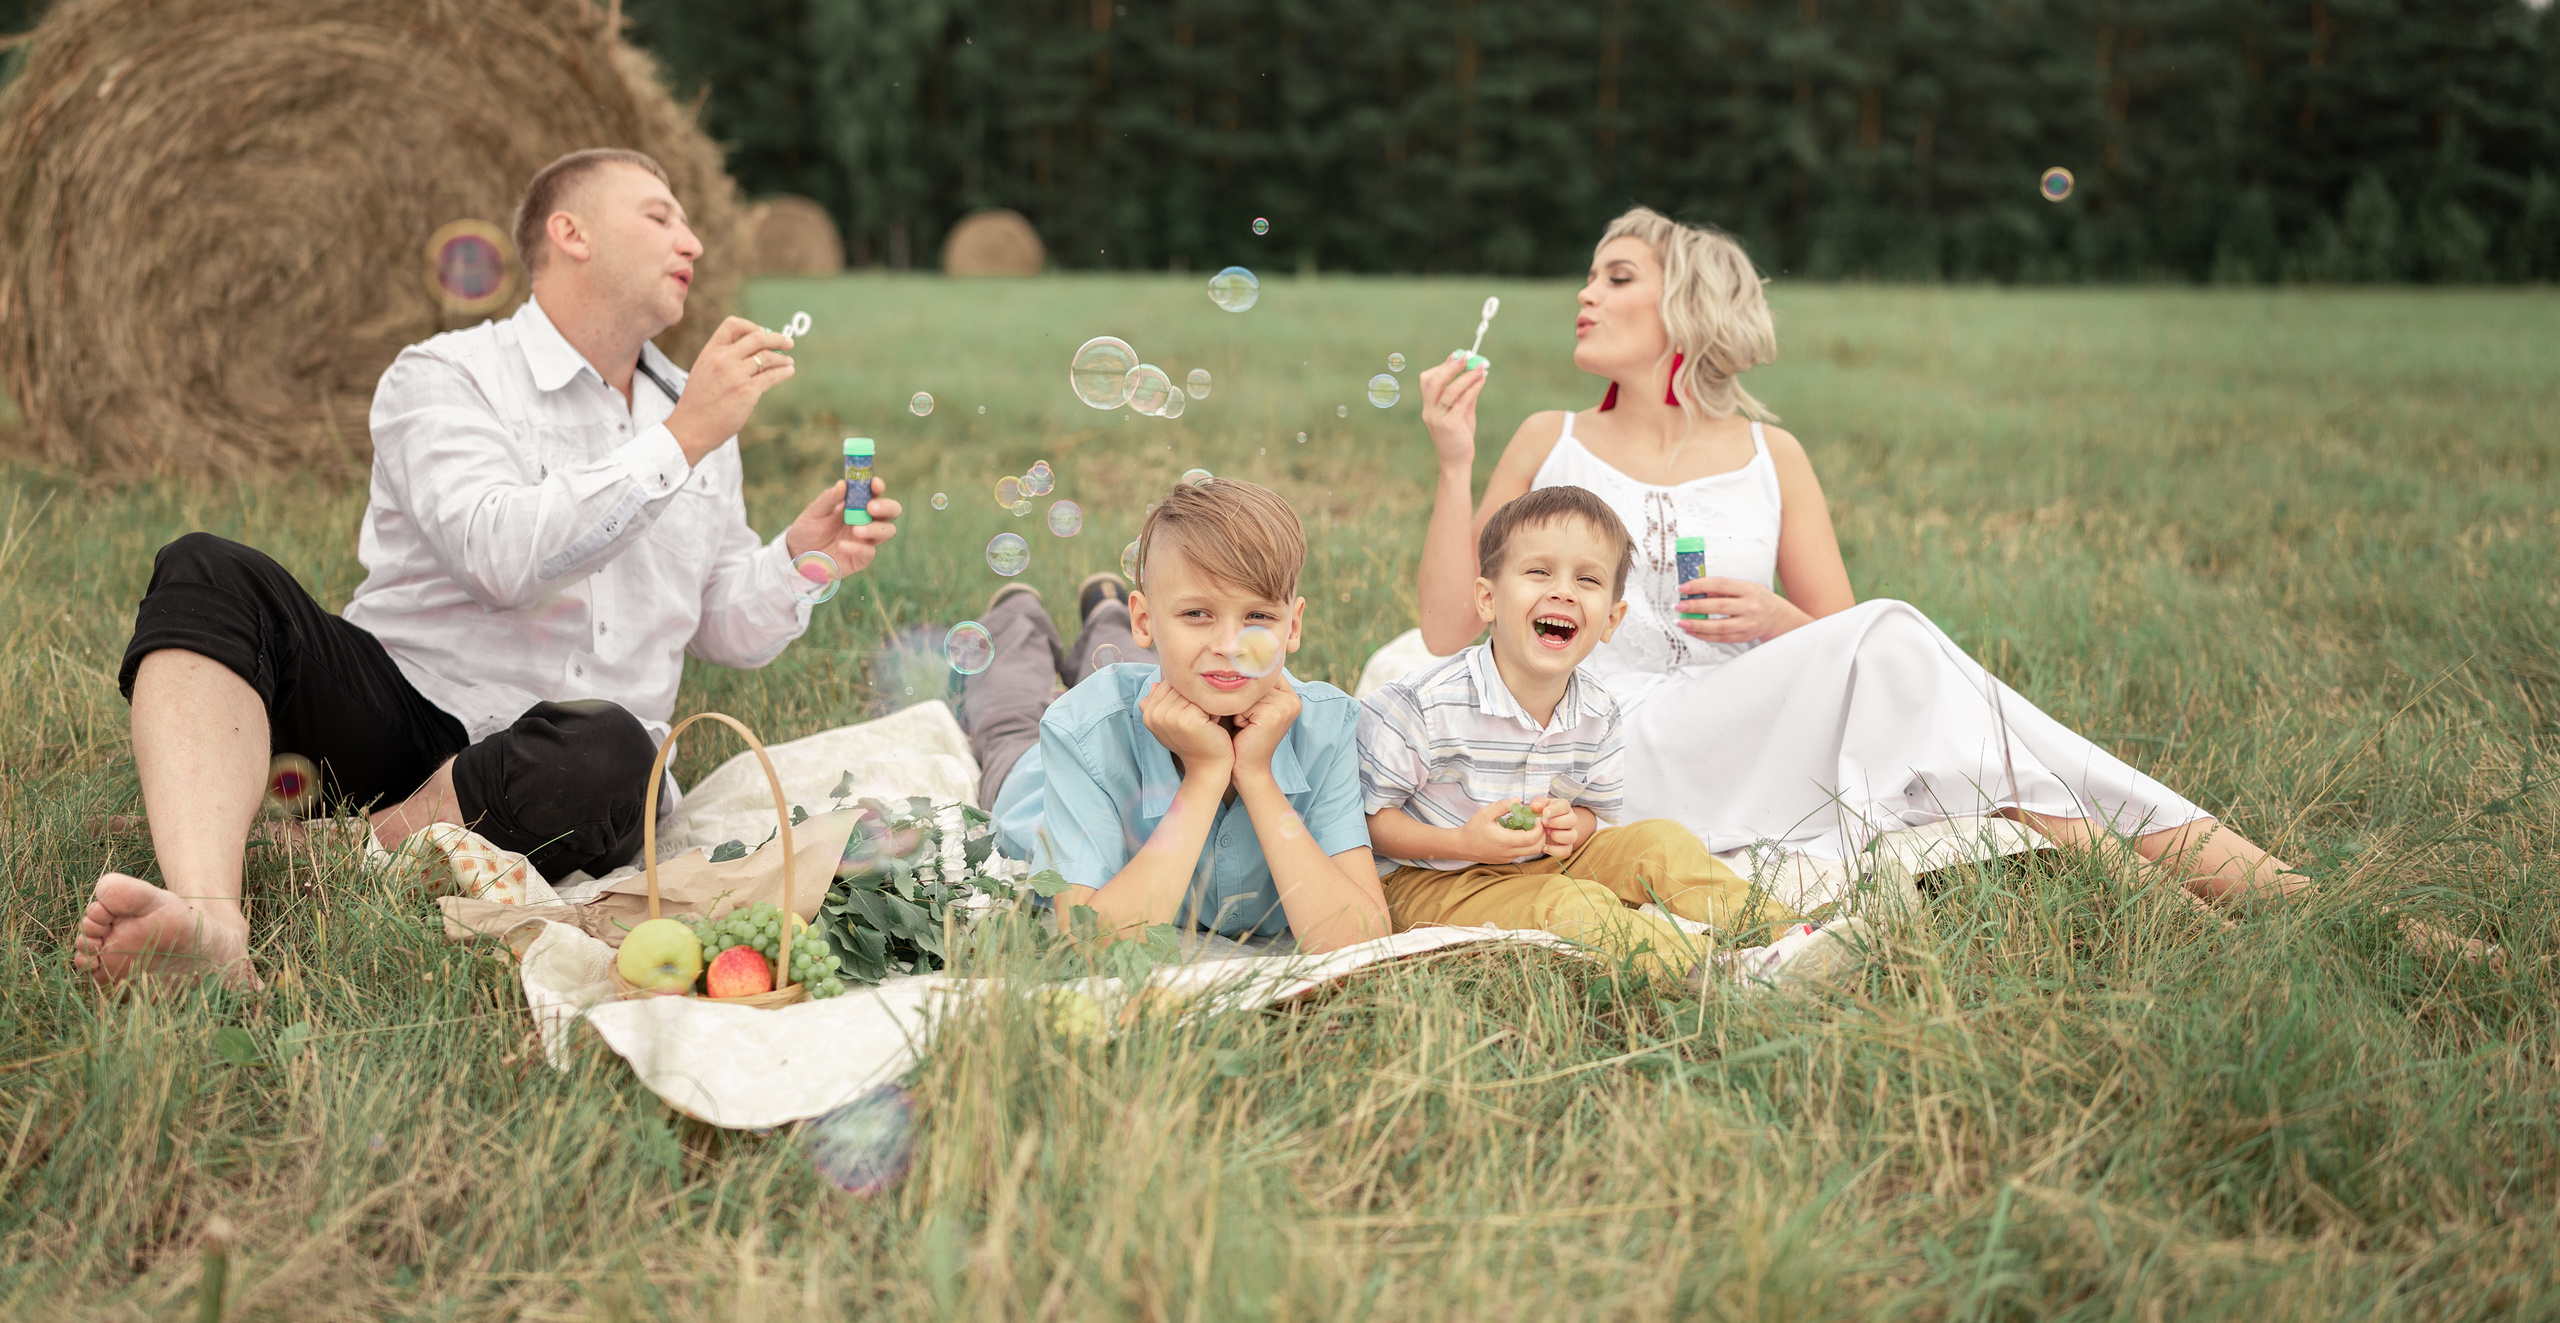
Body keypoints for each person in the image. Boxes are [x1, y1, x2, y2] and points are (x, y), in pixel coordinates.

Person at [74, 148, 899, 990]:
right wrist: (680, 440)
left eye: (688, 222)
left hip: (565, 766)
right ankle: (210, 915)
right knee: (206, 568)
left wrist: (801, 561)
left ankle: (350, 846)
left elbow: (722, 621)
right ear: (568, 232)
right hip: (404, 712)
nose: (691, 240)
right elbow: (498, 556)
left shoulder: (690, 413)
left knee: (615, 747)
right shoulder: (447, 375)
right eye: (660, 215)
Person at [1407, 205, 2306, 904]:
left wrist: (1777, 621)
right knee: (1928, 672)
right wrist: (1456, 463)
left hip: (1750, 724)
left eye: (1615, 275)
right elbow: (1451, 632)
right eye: (1590, 277)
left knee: (1951, 711)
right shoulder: (1547, 439)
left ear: (1684, 306)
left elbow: (1842, 644)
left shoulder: (1773, 457)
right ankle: (2253, 890)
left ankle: (2229, 894)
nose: (1584, 294)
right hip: (1608, 743)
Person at [1361, 484, 1856, 988]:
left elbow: (1591, 814)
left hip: (1538, 863)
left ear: (1610, 621)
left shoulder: (1597, 711)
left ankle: (1792, 931)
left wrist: (1567, 827)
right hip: (1430, 880)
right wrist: (1462, 842)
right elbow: (1371, 822)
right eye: (1538, 572)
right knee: (1572, 904)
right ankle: (1713, 974)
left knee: (1658, 842)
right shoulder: (1425, 704)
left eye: (1588, 579)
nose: (1563, 591)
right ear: (1487, 599)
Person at [965, 476, 1389, 953]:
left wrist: (1255, 773)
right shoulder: (1079, 731)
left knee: (1162, 666)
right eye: (1197, 614)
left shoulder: (1329, 728)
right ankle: (1017, 612)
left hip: (1160, 676)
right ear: (1145, 619)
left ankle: (1105, 610)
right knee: (1010, 716)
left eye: (1259, 617)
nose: (1230, 646)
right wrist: (1206, 774)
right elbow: (1090, 945)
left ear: (1294, 625)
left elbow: (1361, 941)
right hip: (1034, 778)